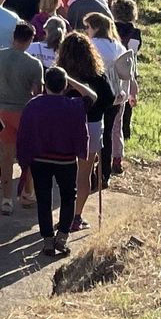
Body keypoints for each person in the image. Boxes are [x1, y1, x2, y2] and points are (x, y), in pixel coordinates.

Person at [16, 67, 90, 257]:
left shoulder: (34, 105)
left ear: (45, 84)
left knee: (43, 199)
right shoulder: (74, 105)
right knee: (68, 197)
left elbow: (24, 133)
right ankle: (63, 236)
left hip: (40, 159)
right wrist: (71, 80)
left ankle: (47, 240)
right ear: (65, 85)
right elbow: (93, 96)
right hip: (66, 160)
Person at [0, 22, 45, 215]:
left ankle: (6, 199)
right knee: (30, 155)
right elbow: (38, 92)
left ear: (13, 36)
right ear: (30, 40)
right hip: (23, 113)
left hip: (1, 110)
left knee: (6, 156)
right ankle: (27, 193)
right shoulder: (34, 64)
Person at [57, 32, 115, 231]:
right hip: (92, 125)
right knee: (84, 174)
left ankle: (64, 215)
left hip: (64, 127)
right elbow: (108, 99)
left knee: (65, 174)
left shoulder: (60, 75)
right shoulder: (97, 75)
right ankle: (76, 216)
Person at [85, 12, 134, 184]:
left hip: (96, 96)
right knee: (107, 133)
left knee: (91, 133)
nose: (87, 31)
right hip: (116, 96)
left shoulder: (91, 45)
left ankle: (88, 171)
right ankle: (104, 174)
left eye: (88, 27)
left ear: (96, 28)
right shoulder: (118, 46)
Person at [112, 0, 144, 168]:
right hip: (129, 71)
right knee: (124, 111)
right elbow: (132, 53)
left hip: (111, 70)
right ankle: (119, 151)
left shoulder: (110, 28)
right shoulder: (135, 33)